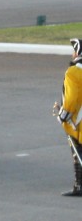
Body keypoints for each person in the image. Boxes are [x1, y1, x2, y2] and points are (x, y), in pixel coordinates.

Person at [57, 38, 82, 196]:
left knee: (77, 152)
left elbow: (71, 98)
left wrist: (63, 115)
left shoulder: (74, 71)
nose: (72, 54)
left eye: (74, 50)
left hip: (78, 121)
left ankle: (79, 185)